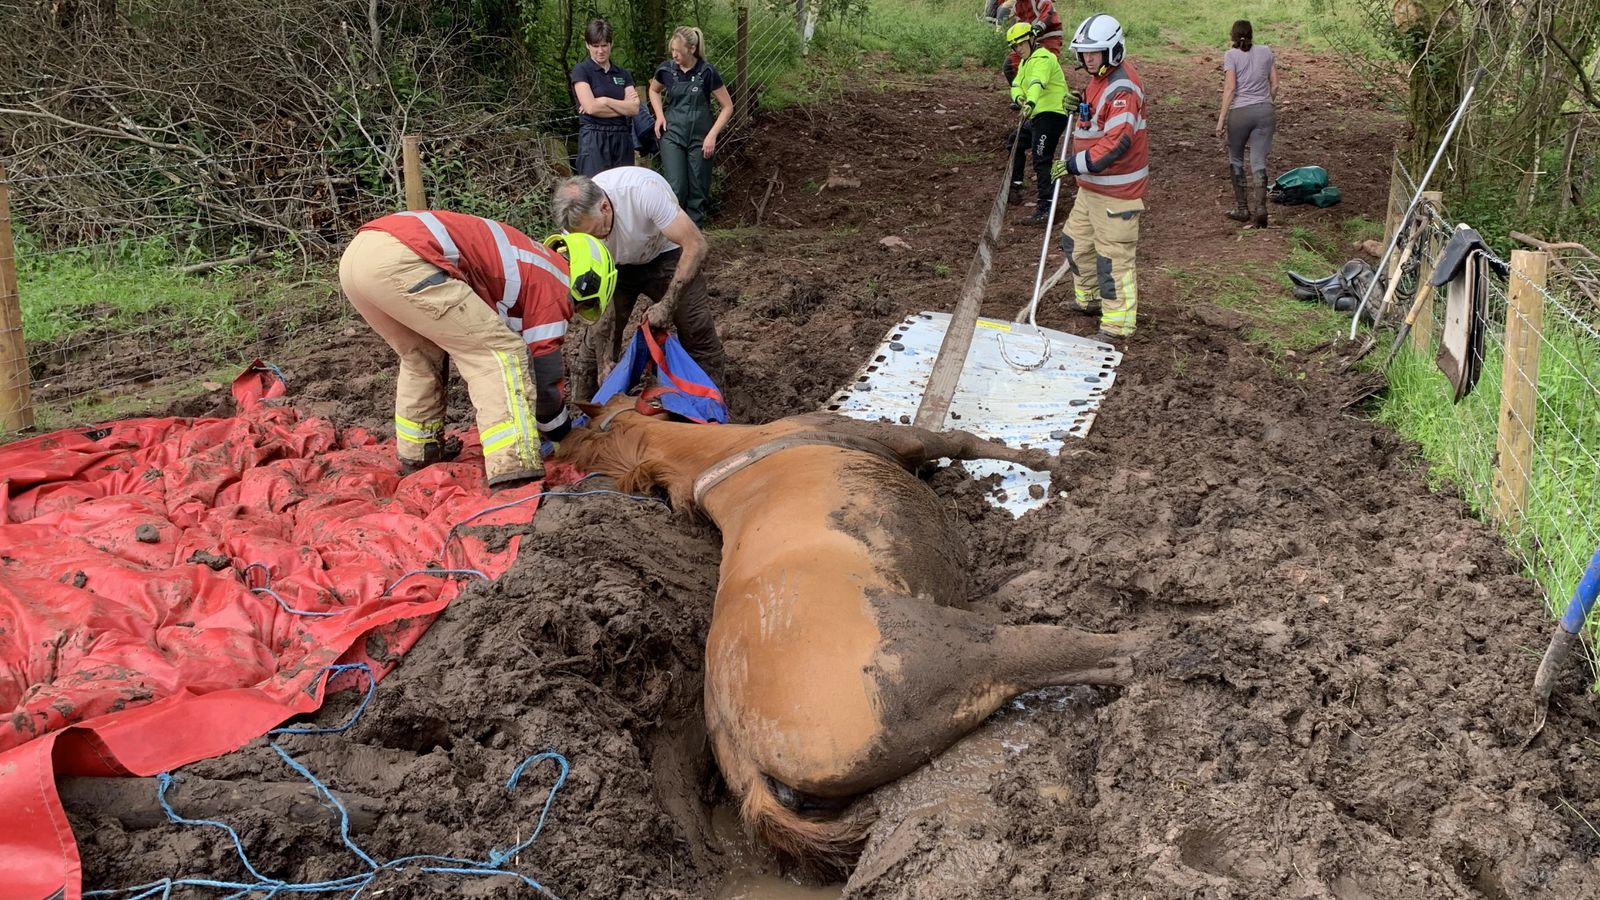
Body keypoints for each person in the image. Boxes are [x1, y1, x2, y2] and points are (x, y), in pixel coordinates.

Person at [339, 211, 615, 487]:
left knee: (421, 357)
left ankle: (419, 454)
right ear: (588, 280)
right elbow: (545, 374)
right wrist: (561, 433)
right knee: (501, 352)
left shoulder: (531, 260)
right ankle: (514, 469)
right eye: (586, 304)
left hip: (361, 257)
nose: (576, 312)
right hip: (405, 258)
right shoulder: (556, 282)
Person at [552, 167, 728, 400]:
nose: (596, 240)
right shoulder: (573, 227)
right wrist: (605, 360)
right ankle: (585, 418)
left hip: (665, 253)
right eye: (588, 239)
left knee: (697, 329)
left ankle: (713, 407)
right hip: (614, 266)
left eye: (596, 233)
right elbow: (595, 301)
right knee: (593, 352)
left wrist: (667, 304)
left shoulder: (643, 191)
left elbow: (696, 245)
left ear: (605, 207)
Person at [1053, 13, 1147, 345]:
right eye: (1084, 54)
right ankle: (1090, 300)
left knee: (1112, 260)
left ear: (1113, 51)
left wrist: (1073, 164)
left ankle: (1118, 324)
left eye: (1094, 53)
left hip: (1117, 193)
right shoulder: (1099, 80)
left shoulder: (1122, 87)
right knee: (1075, 243)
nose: (1088, 59)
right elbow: (1096, 120)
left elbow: (1116, 142)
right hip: (1091, 189)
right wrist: (1080, 105)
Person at [650, 26, 734, 228]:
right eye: (672, 50)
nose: (674, 55)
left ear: (692, 49)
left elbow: (727, 106)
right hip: (673, 136)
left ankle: (694, 233)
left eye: (678, 51)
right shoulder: (666, 70)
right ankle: (672, 233)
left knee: (698, 188)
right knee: (676, 186)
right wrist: (660, 116)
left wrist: (712, 135)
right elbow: (654, 91)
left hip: (701, 138)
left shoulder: (707, 72)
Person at [1008, 22, 1071, 225]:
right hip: (1037, 115)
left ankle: (1047, 207)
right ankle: (1016, 184)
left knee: (1042, 157)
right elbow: (1017, 84)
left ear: (1032, 39)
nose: (1018, 48)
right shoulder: (1026, 62)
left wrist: (1031, 102)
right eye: (1014, 46)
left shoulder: (1043, 58)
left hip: (1052, 114)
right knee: (1014, 142)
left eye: (1021, 43)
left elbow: (1037, 83)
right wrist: (1019, 99)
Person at [1216, 19, 1277, 228]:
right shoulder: (1266, 51)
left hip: (1240, 112)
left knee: (1236, 159)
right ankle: (1261, 208)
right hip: (1265, 111)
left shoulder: (1231, 56)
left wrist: (1222, 118)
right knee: (1258, 161)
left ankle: (1243, 209)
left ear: (1232, 36)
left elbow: (1231, 88)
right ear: (1252, 34)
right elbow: (1275, 84)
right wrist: (1267, 103)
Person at [570, 19, 641, 177]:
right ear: (588, 45)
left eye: (604, 45)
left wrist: (605, 101)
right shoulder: (581, 70)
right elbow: (591, 107)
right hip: (594, 137)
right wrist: (623, 107)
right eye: (595, 46)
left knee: (621, 191)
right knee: (594, 192)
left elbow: (635, 108)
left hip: (622, 138)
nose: (600, 51)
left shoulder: (623, 74)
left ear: (611, 44)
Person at [1002, 0, 1064, 82]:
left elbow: (1048, 12)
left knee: (1044, 66)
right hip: (1031, 40)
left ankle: (1051, 92)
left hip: (1049, 37)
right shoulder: (1016, 6)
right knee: (1009, 66)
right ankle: (1020, 92)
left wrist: (1039, 27)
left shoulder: (1039, 1)